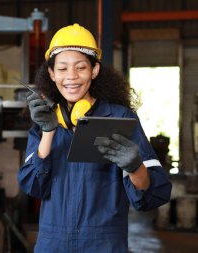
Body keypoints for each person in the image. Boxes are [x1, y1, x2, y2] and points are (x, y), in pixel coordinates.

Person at [17, 23, 172, 253]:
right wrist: (48, 132)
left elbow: (155, 194)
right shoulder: (44, 121)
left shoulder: (119, 118)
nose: (71, 77)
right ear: (51, 74)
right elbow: (34, 187)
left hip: (104, 245)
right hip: (53, 244)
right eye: (62, 69)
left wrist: (135, 166)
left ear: (95, 70)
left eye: (81, 67)